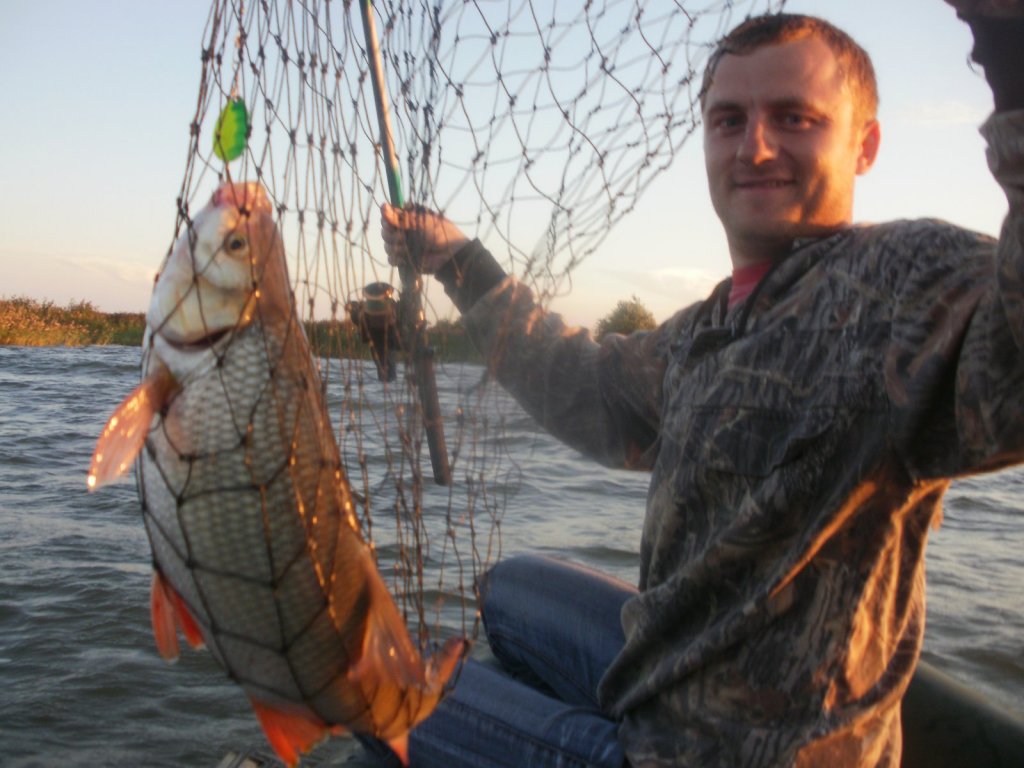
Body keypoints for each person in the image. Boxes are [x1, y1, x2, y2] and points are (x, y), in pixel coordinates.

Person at [371, 4, 1024, 766]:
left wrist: (1006, 34)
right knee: (509, 590)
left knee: (362, 678)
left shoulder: (910, 281)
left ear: (865, 145)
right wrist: (459, 261)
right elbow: (588, 387)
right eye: (728, 120)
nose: (755, 146)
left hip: (719, 754)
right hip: (669, 681)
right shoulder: (710, 326)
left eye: (795, 118)